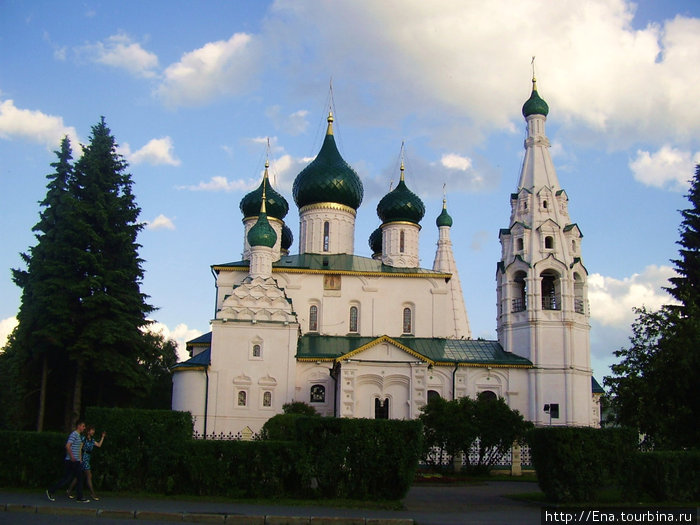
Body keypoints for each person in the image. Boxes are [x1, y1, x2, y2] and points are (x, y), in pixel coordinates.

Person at [46, 421, 89, 503]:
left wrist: (79, 459)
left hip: (75, 461)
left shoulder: (78, 435)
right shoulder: (74, 434)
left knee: (69, 478)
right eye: (83, 426)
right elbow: (67, 446)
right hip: (72, 461)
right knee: (77, 478)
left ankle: (51, 490)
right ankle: (79, 497)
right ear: (78, 426)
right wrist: (72, 456)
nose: (84, 428)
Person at [67, 425, 106, 500]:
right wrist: (80, 458)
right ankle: (92, 493)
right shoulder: (83, 439)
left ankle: (69, 490)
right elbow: (80, 448)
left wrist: (102, 437)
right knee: (88, 476)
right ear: (88, 431)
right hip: (83, 457)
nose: (93, 432)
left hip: (87, 458)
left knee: (78, 476)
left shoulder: (91, 440)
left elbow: (98, 445)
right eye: (92, 430)